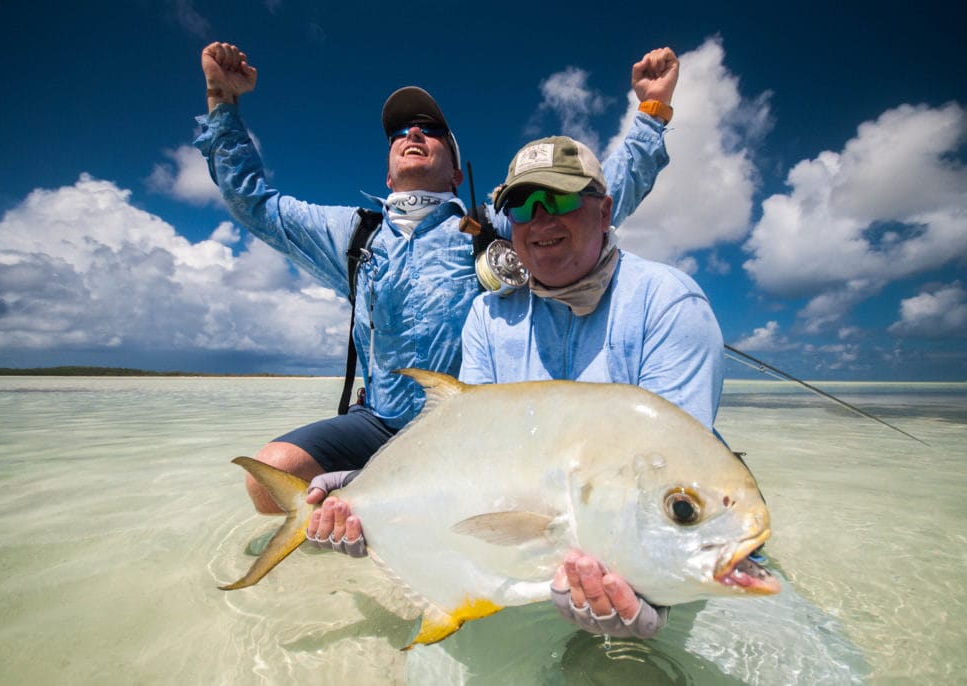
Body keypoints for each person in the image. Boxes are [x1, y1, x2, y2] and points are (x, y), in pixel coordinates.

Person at [196, 42, 680, 515]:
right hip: (378, 420)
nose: (413, 134)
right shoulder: (353, 234)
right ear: (388, 175)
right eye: (400, 133)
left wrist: (651, 113)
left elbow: (592, 201)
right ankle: (359, 524)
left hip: (464, 427)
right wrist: (223, 103)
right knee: (268, 475)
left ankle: (388, 512)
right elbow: (255, 204)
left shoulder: (494, 225)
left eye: (431, 131)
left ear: (454, 173)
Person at [309, 135, 724, 640]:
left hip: (660, 545)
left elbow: (676, 467)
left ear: (605, 210)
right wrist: (363, 487)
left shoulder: (667, 303)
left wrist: (657, 597)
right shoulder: (488, 316)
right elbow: (468, 449)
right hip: (536, 553)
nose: (542, 218)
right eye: (523, 206)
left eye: (563, 198)